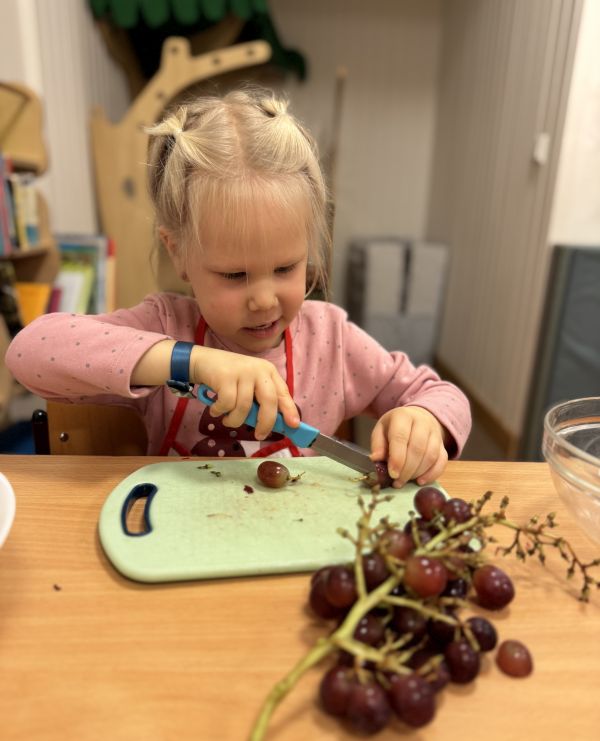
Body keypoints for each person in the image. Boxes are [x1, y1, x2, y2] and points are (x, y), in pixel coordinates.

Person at [5, 87, 471, 486]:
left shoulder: (331, 340)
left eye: (286, 268)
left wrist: (425, 420)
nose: (264, 300)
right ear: (177, 252)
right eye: (234, 275)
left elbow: (443, 395)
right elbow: (29, 350)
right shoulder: (164, 326)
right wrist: (187, 361)